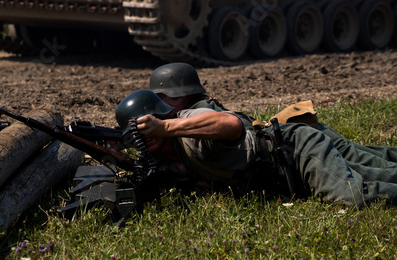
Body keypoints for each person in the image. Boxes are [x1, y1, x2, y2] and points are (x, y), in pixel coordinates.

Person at [116, 89, 397, 206]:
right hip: (284, 173)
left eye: (147, 126)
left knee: (353, 196)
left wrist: (165, 128)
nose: (145, 136)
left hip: (296, 151)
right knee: (373, 173)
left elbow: (231, 125)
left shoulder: (186, 124)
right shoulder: (160, 156)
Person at [148, 63, 397, 169]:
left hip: (297, 138)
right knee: (368, 155)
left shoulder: (194, 115)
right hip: (296, 132)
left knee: (367, 162)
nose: (159, 104)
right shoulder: (201, 105)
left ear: (179, 96)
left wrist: (166, 127)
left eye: (163, 96)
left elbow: (229, 126)